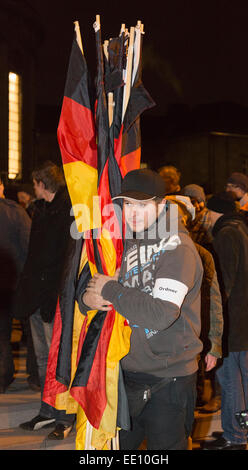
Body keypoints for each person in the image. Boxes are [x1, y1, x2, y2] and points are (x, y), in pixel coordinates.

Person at [80, 168, 203, 450]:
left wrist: (110, 289)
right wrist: (89, 301)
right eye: (127, 205)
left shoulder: (178, 247)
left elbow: (160, 314)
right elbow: (107, 292)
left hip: (168, 380)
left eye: (142, 205)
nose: (133, 213)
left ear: (161, 204)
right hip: (127, 374)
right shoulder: (128, 241)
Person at [14, 161, 75, 439]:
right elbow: (33, 257)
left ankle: (64, 415)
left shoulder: (68, 212)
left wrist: (58, 294)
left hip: (55, 297)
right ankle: (47, 410)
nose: (33, 188)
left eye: (35, 183)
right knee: (41, 359)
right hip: (36, 297)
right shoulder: (39, 210)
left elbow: (65, 260)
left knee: (58, 359)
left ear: (42, 184)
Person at [202, 191, 248, 450]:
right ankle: (239, 431)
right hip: (243, 322)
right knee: (242, 379)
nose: (205, 217)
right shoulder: (240, 228)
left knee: (230, 380)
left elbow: (223, 285)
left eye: (208, 212)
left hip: (232, 324)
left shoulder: (226, 235)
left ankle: (235, 436)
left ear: (214, 211)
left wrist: (214, 324)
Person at [0, 190, 31, 392]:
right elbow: (29, 245)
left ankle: (3, 377)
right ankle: (36, 376)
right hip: (16, 282)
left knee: (2, 334)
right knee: (28, 329)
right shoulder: (16, 212)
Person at [182, 184, 213, 248]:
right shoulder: (183, 216)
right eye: (192, 202)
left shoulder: (207, 217)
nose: (197, 206)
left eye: (199, 201)